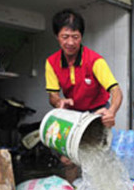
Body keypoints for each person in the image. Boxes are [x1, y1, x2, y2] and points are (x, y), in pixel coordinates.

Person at [45, 9, 123, 180]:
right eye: (65, 37)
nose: (71, 42)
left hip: (97, 112)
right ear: (56, 36)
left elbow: (116, 91)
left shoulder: (95, 60)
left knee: (97, 156)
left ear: (81, 36)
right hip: (73, 114)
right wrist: (59, 102)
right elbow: (52, 96)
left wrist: (112, 112)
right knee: (68, 159)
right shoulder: (51, 63)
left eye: (75, 36)